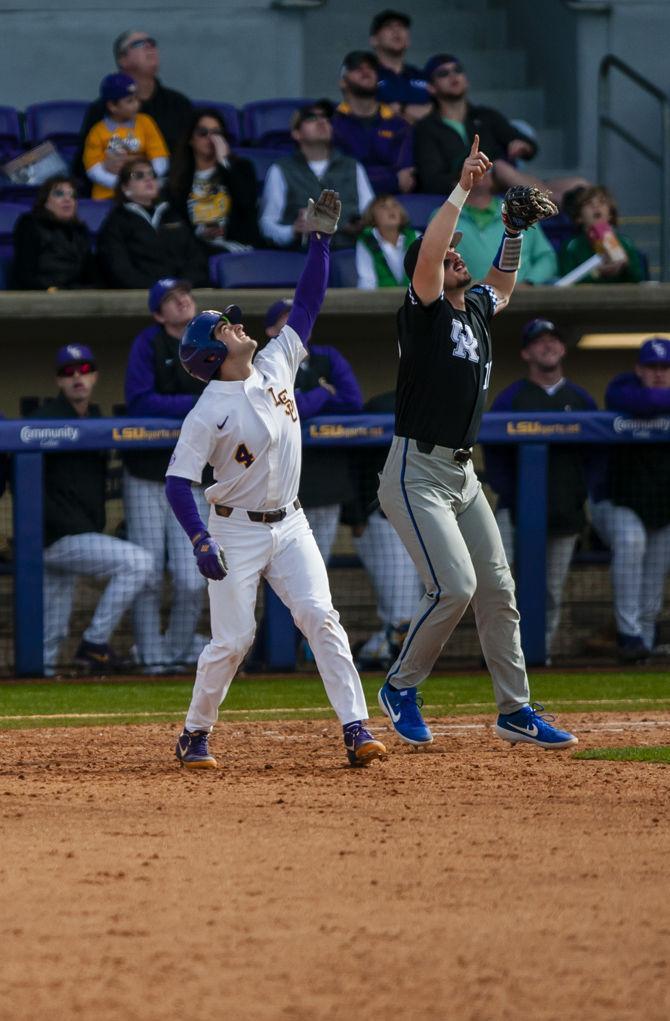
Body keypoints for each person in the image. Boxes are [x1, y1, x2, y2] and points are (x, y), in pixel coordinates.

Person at [165, 190, 386, 770]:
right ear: (212, 355)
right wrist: (199, 539)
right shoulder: (207, 411)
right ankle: (194, 733)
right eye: (225, 329)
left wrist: (320, 241)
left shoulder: (275, 363)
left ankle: (357, 728)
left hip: (289, 523)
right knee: (233, 642)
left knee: (321, 617)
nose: (236, 327)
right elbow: (176, 481)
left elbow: (309, 303)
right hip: (233, 531)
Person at [375, 138, 578, 750]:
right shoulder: (427, 309)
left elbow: (505, 285)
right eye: (448, 257)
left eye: (461, 255)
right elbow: (435, 246)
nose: (457, 258)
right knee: (454, 588)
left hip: (463, 476)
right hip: (415, 471)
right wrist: (464, 189)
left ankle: (515, 710)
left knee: (498, 590)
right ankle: (400, 686)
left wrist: (513, 230)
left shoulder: (475, 310)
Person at [29, 344, 152, 676]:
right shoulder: (45, 420)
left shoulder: (97, 419)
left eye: (84, 370)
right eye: (69, 372)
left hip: (77, 535)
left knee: (52, 628)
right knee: (138, 561)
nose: (77, 378)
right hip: (56, 536)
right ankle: (95, 643)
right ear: (59, 380)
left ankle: (43, 688)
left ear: (95, 375)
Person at [484, 318, 598, 658]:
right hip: (513, 508)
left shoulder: (580, 399)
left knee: (551, 589)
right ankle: (501, 653)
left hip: (565, 509)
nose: (547, 346)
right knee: (499, 585)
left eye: (553, 340)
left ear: (563, 349)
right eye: (539, 341)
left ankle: (540, 652)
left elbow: (597, 458)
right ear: (525, 352)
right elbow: (494, 456)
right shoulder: (511, 398)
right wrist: (510, 493)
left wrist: (581, 494)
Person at [124, 279, 210, 672]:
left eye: (185, 294)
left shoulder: (208, 337)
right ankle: (152, 658)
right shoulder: (147, 343)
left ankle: (174, 652)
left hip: (192, 474)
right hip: (146, 474)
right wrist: (194, 404)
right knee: (149, 572)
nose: (183, 301)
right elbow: (141, 400)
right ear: (159, 314)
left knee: (194, 575)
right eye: (172, 299)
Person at [264, 297, 363, 564]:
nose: (296, 322)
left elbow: (353, 403)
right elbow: (285, 411)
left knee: (319, 563)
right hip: (284, 483)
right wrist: (322, 393)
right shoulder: (266, 364)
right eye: (286, 317)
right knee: (283, 564)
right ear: (271, 332)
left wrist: (303, 399)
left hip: (328, 475)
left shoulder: (327, 356)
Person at [590, 338, 670, 662]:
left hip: (662, 509)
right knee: (631, 540)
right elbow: (641, 401)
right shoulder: (622, 387)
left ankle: (644, 645)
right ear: (639, 368)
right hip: (615, 503)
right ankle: (628, 634)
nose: (658, 374)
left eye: (665, 368)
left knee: (655, 570)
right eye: (651, 367)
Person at [414, 54, 586, 204]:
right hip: (467, 186)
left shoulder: (485, 115)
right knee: (500, 167)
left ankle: (565, 203)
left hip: (504, 183)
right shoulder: (426, 128)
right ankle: (558, 205)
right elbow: (431, 179)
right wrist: (469, 178)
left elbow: (528, 145)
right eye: (443, 73)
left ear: (466, 80)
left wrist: (522, 145)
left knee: (580, 184)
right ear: (431, 87)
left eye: (458, 70)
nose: (453, 75)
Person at [341, 389, 423, 669]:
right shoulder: (380, 405)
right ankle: (376, 654)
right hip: (382, 519)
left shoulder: (439, 401)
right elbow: (354, 464)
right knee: (403, 610)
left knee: (418, 607)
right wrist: (356, 515)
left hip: (424, 520)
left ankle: (372, 651)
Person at [74, 30, 193, 186]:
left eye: (152, 43)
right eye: (140, 44)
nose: (150, 47)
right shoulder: (102, 108)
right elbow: (79, 167)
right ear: (123, 60)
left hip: (168, 191)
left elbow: (192, 157)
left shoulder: (179, 104)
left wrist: (143, 163)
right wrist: (103, 165)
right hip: (116, 193)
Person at [260, 99, 374, 250]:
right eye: (311, 118)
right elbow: (267, 224)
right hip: (303, 257)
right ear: (296, 133)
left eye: (326, 118)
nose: (321, 122)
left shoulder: (353, 166)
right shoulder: (281, 169)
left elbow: (372, 213)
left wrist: (362, 225)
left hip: (349, 254)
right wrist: (294, 230)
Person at [97, 157, 210, 288]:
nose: (148, 179)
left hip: (182, 292)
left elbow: (195, 257)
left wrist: (183, 284)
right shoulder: (115, 223)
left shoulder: (173, 215)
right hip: (141, 295)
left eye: (153, 174)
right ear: (125, 187)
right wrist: (158, 290)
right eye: (139, 175)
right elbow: (119, 268)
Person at [167, 107, 260, 252]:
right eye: (203, 133)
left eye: (216, 133)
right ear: (190, 139)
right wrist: (200, 231)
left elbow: (246, 204)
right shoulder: (179, 175)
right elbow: (175, 219)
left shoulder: (242, 168)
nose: (210, 139)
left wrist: (224, 163)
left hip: (234, 248)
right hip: (193, 249)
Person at [332, 51, 414, 195]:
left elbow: (405, 182)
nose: (366, 71)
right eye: (357, 68)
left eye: (371, 68)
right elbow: (333, 179)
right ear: (343, 82)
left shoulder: (399, 125)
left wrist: (356, 178)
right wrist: (389, 178)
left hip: (390, 207)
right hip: (343, 206)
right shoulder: (331, 124)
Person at [455, 171, 557, 284]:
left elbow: (546, 257)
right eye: (470, 171)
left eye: (485, 169)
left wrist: (529, 283)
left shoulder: (521, 211)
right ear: (457, 179)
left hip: (522, 297)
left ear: (492, 178)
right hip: (468, 298)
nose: (479, 174)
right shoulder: (444, 215)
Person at [83, 73, 169, 200]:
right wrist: (122, 184)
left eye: (136, 98)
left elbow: (160, 159)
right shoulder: (97, 132)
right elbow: (93, 170)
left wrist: (144, 180)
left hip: (144, 192)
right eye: (130, 101)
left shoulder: (146, 122)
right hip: (109, 194)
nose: (136, 104)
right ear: (112, 106)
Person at [12, 175, 99, 290]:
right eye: (59, 194)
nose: (67, 199)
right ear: (45, 202)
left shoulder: (79, 230)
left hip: (75, 294)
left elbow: (90, 272)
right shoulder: (30, 225)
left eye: (72, 195)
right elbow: (25, 273)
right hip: (41, 294)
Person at [558, 185, 645, 284]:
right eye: (588, 203)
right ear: (579, 217)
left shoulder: (625, 243)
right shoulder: (571, 246)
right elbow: (566, 282)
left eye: (602, 202)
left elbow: (638, 279)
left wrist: (626, 266)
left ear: (610, 215)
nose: (596, 206)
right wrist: (597, 273)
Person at [369, 9, 431, 123]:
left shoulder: (423, 76)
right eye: (388, 26)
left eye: (401, 26)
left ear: (408, 40)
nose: (396, 30)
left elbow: (441, 112)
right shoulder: (367, 76)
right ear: (374, 40)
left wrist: (401, 108)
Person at [355, 193, 420, 288]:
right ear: (372, 217)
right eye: (383, 207)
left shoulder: (416, 237)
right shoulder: (366, 242)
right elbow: (367, 281)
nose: (391, 210)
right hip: (381, 301)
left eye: (395, 205)